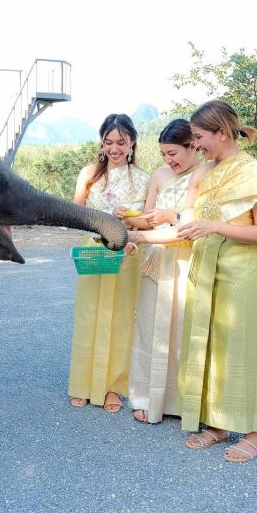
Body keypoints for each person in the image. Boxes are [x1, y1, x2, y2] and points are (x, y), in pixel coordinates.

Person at [174, 100, 257, 463]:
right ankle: (218, 424)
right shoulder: (205, 172)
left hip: (241, 272)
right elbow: (190, 218)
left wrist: (216, 227)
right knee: (209, 345)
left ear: (222, 132)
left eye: (200, 137)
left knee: (240, 349)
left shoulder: (253, 171)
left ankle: (255, 433)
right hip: (205, 266)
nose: (196, 145)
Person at [67, 114, 149, 412]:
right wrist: (102, 219)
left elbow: (145, 221)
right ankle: (82, 383)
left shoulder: (142, 178)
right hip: (92, 249)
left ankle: (114, 388)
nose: (114, 148)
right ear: (102, 142)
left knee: (121, 318)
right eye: (109, 141)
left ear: (132, 143)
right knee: (89, 315)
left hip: (126, 253)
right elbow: (74, 213)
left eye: (121, 142)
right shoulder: (89, 173)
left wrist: (126, 219)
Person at [124, 119, 201, 424]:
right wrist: (130, 219)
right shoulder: (158, 176)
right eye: (164, 154)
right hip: (156, 258)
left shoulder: (204, 175)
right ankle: (147, 397)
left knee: (182, 329)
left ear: (193, 146)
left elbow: (192, 221)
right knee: (148, 329)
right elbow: (147, 220)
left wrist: (173, 216)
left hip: (185, 258)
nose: (169, 160)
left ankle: (184, 401)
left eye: (173, 153)